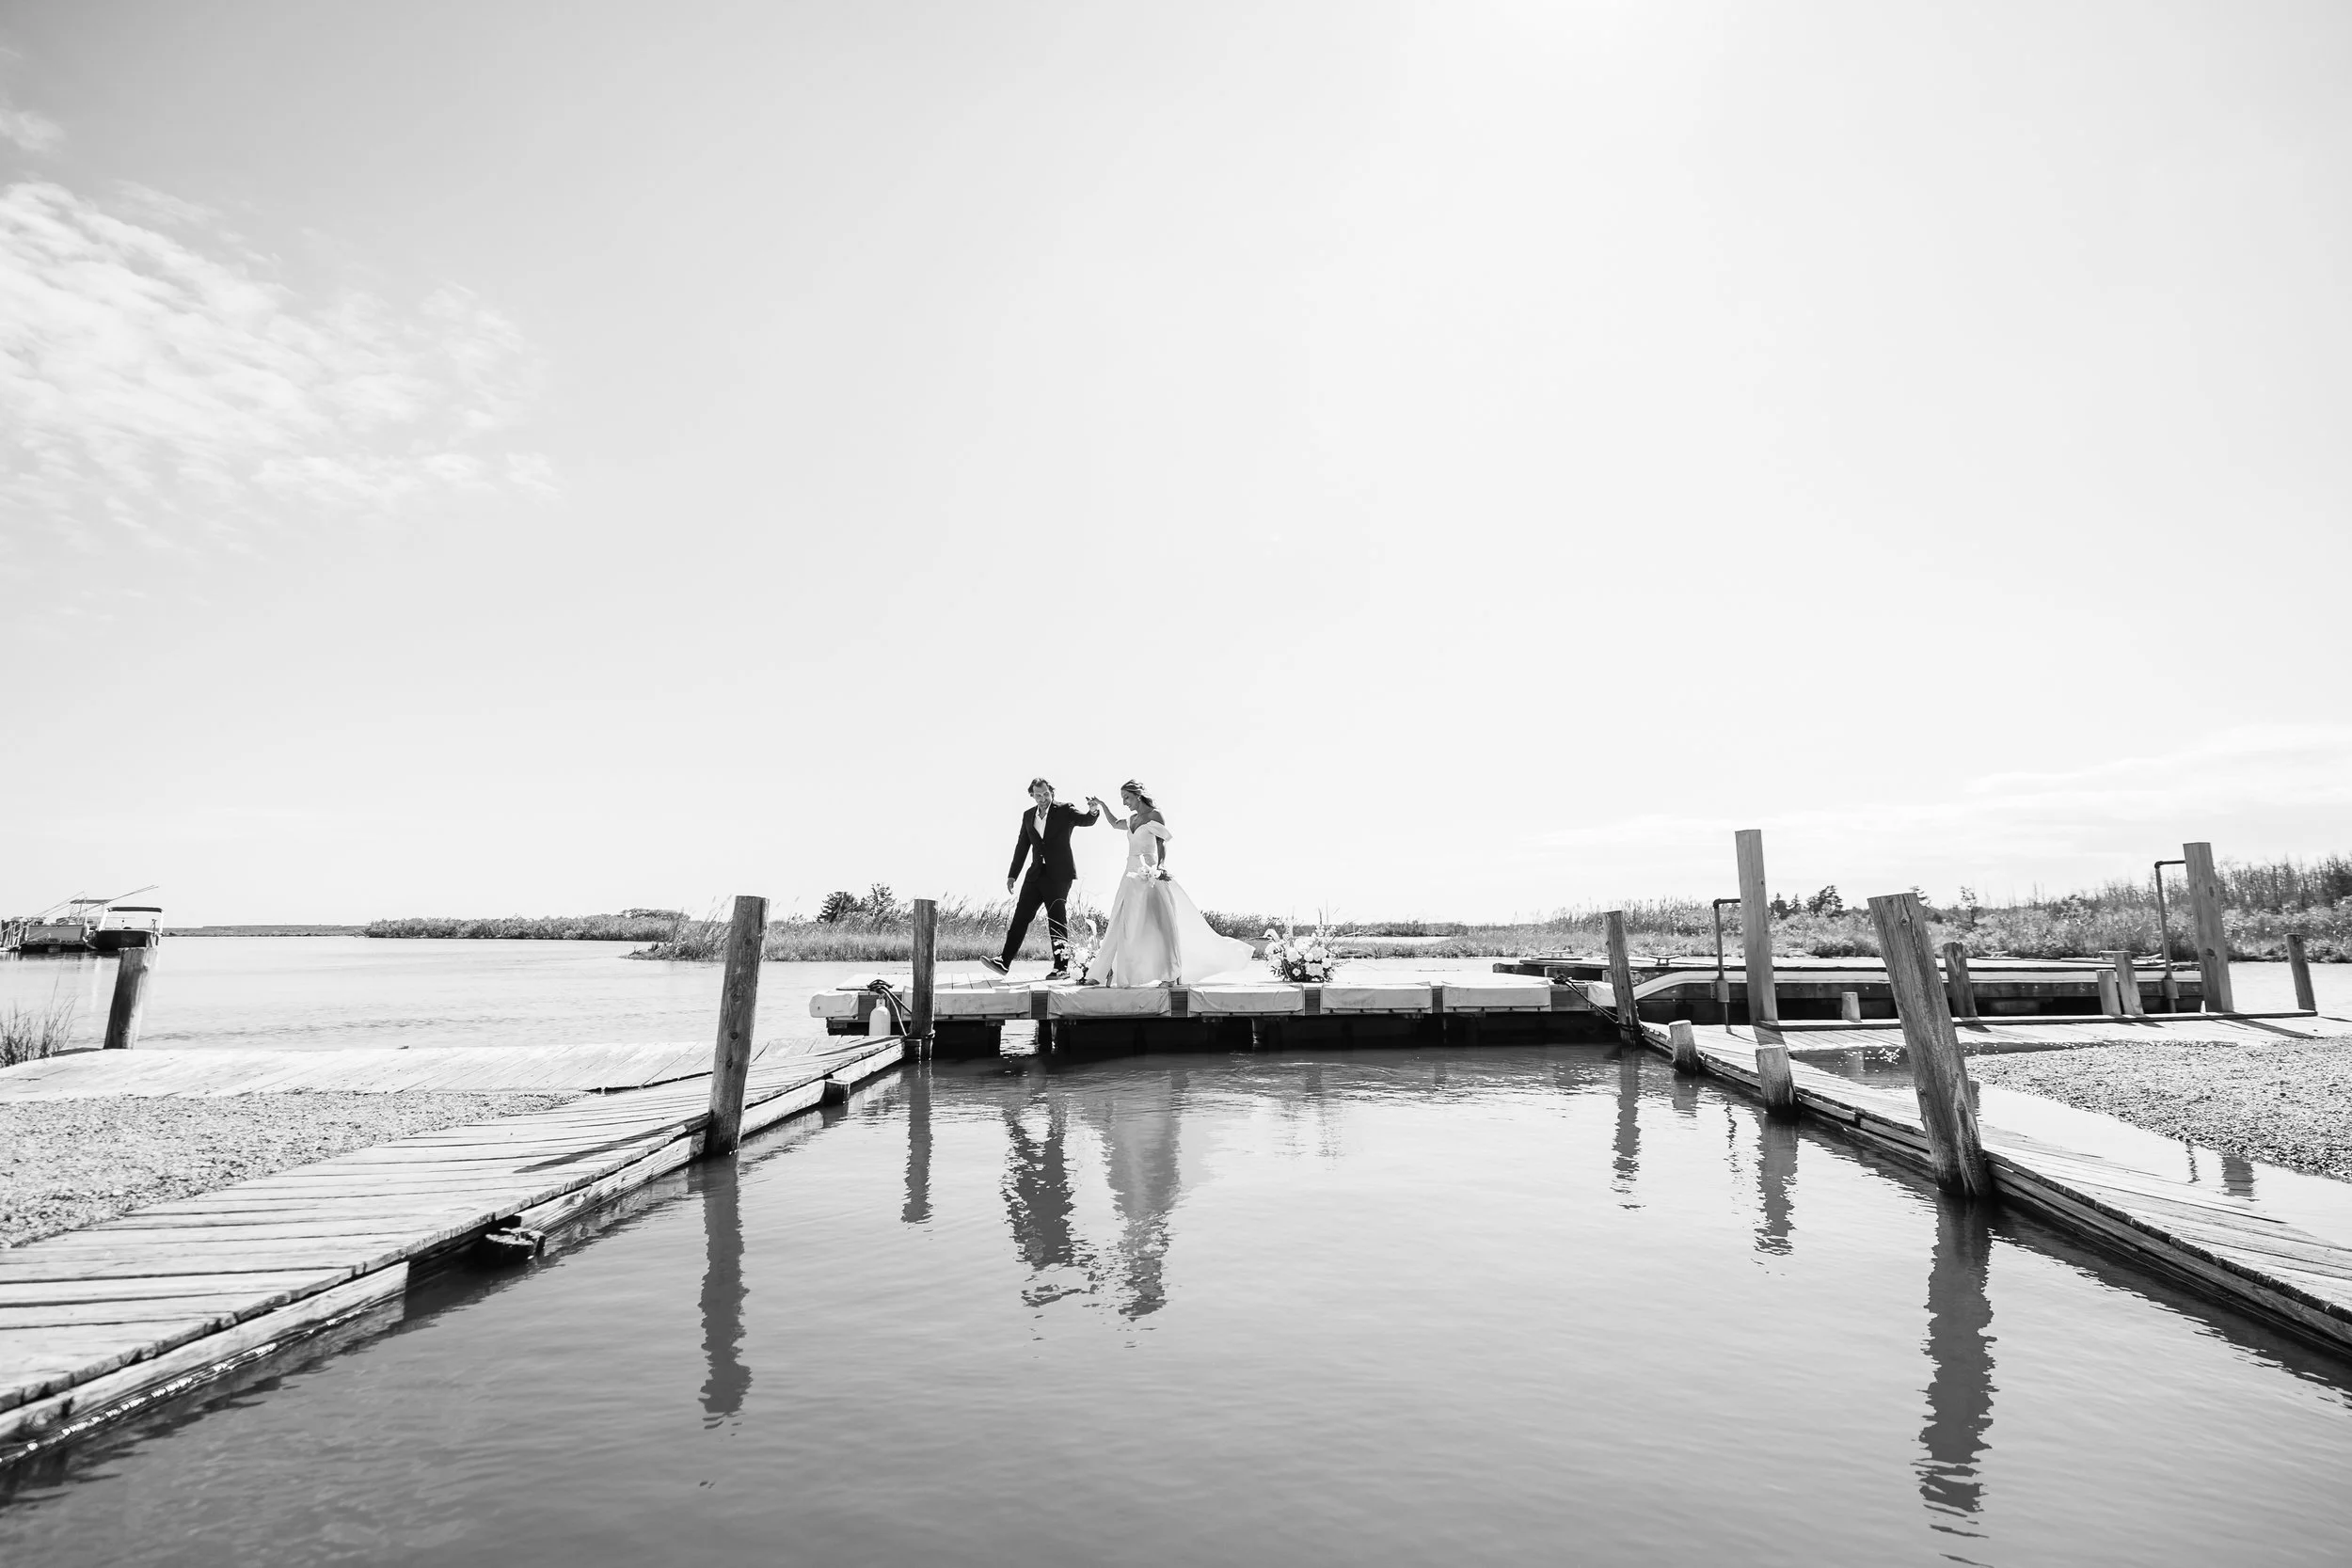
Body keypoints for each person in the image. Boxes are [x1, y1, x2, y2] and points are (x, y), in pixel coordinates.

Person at [1081, 781, 1255, 987]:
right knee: (1121, 921)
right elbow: (1113, 823)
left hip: (1150, 873)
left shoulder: (1155, 815)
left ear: (1138, 796)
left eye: (1127, 797)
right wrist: (1101, 805)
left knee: (1161, 924)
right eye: (1122, 798)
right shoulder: (1132, 819)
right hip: (1129, 873)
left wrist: (1161, 867)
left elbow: (1161, 844)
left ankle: (1170, 975)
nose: (1124, 802)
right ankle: (1103, 973)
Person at [986, 777, 1100, 979]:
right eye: (1038, 795)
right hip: (1035, 874)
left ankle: (1061, 968)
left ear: (1051, 793)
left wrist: (1092, 810)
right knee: (1021, 917)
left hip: (1059, 876)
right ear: (1032, 796)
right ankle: (1004, 961)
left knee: (1056, 919)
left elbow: (1086, 820)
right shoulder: (1028, 816)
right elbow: (1022, 847)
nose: (1043, 798)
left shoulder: (1065, 810)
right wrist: (1013, 875)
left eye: (1046, 794)